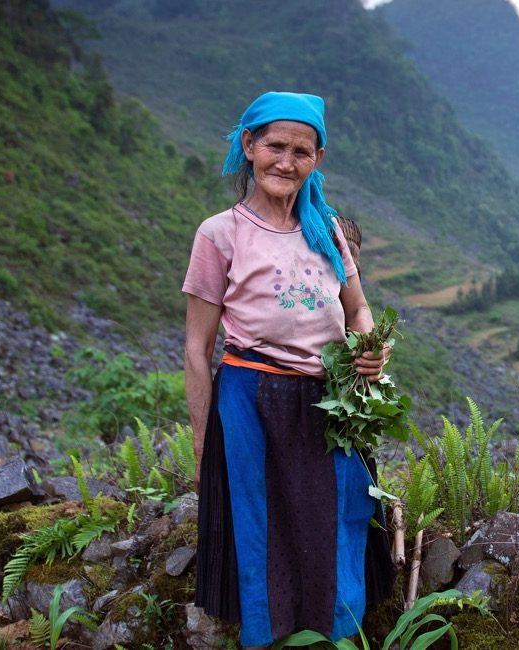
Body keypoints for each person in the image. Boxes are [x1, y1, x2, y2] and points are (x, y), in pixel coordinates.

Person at [183, 91, 391, 648]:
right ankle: (270, 637)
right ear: (248, 146)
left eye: (302, 150)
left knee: (342, 515)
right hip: (252, 397)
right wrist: (205, 449)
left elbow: (358, 309)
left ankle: (337, 635)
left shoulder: (326, 229)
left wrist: (370, 346)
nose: (286, 161)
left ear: (317, 159)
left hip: (329, 401)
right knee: (261, 524)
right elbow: (197, 349)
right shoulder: (219, 234)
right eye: (275, 145)